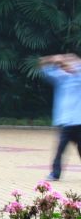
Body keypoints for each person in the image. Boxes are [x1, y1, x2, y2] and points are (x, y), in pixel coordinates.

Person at [39, 53, 81, 181]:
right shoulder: (61, 77)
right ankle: (55, 174)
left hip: (79, 122)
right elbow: (44, 67)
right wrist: (51, 59)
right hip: (66, 122)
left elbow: (76, 69)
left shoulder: (79, 76)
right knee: (59, 149)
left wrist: (72, 63)